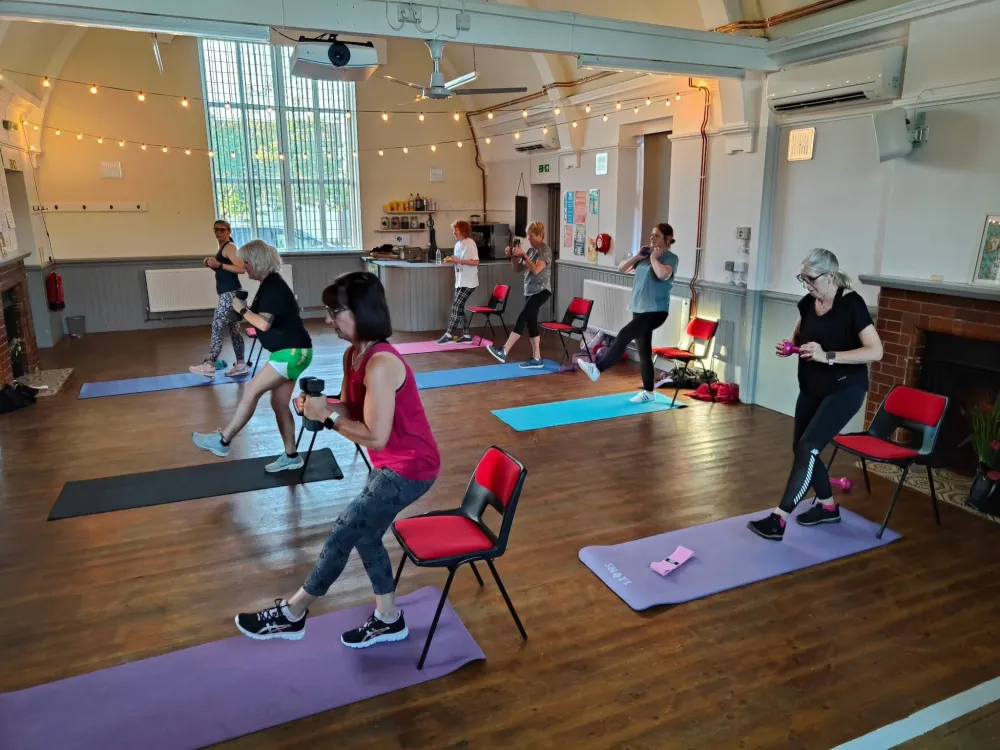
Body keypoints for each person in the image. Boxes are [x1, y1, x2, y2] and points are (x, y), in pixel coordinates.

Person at [234, 271, 441, 647]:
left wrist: (326, 417)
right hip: (390, 463)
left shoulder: (381, 364)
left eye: (335, 312)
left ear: (361, 311)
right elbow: (350, 408)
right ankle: (388, 618)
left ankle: (293, 613)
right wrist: (320, 405)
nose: (328, 320)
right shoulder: (354, 355)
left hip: (411, 467)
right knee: (366, 534)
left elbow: (375, 434)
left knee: (345, 531)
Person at [748, 249, 883, 541]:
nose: (806, 284)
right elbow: (800, 334)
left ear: (830, 275)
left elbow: (876, 351)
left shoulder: (851, 304)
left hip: (845, 389)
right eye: (802, 278)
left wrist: (828, 355)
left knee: (808, 447)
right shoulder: (809, 302)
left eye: (811, 278)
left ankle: (779, 520)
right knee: (801, 448)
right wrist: (790, 345)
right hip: (811, 388)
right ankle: (827, 507)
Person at [192, 240, 313, 474]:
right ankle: (291, 456)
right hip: (292, 351)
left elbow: (263, 324)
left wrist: (241, 308)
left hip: (291, 353)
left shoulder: (273, 287)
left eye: (246, 262)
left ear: (257, 262)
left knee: (251, 390)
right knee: (279, 404)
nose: (244, 266)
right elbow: (261, 317)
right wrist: (243, 309)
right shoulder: (269, 285)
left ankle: (223, 441)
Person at [578, 224, 679, 403]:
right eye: (652, 234)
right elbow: (622, 268)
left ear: (667, 239)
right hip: (639, 308)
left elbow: (662, 275)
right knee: (644, 352)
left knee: (624, 334)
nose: (652, 238)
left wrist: (654, 258)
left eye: (656, 235)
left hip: (655, 311)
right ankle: (649, 392)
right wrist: (638, 256)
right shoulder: (646, 256)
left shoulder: (670, 258)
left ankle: (597, 369)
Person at [486, 221, 552, 369]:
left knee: (523, 316)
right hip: (530, 291)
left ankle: (504, 350)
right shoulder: (530, 251)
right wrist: (513, 256)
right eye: (528, 235)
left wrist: (524, 255)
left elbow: (536, 270)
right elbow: (517, 269)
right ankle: (537, 358)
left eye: (531, 235)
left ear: (540, 236)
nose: (528, 238)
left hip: (541, 291)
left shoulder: (545, 250)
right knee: (531, 323)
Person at [190, 219, 249, 377]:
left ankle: (210, 365)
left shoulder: (230, 247)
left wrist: (220, 265)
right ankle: (241, 364)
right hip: (232, 293)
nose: (218, 233)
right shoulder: (223, 248)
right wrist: (214, 266)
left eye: (222, 230)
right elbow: (226, 271)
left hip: (229, 295)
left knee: (217, 328)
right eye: (216, 230)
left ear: (229, 231)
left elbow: (241, 268)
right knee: (234, 332)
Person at [437, 220, 480, 344]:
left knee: (456, 306)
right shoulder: (457, 245)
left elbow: (476, 262)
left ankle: (449, 334)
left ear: (463, 230)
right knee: (459, 308)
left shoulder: (470, 243)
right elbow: (458, 261)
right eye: (453, 230)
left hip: (469, 281)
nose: (453, 232)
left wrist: (459, 260)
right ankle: (466, 336)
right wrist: (452, 260)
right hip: (460, 281)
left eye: (456, 230)